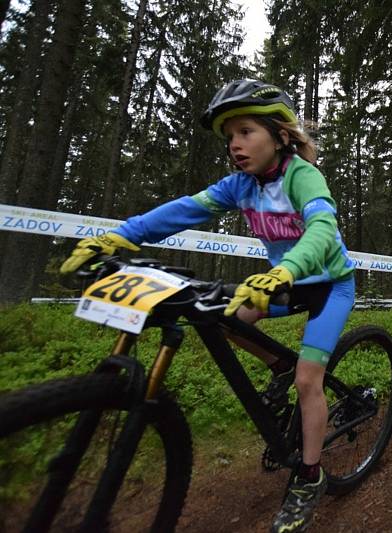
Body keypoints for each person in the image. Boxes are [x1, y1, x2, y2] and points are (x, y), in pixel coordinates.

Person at [60, 79, 355, 533]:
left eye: (245, 132)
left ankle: (308, 477)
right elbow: (182, 210)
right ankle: (277, 364)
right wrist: (122, 235)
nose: (235, 144)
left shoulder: (302, 175)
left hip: (328, 285)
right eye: (229, 136)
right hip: (288, 282)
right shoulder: (240, 186)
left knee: (307, 380)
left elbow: (319, 227)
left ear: (279, 134)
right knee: (222, 318)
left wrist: (285, 269)